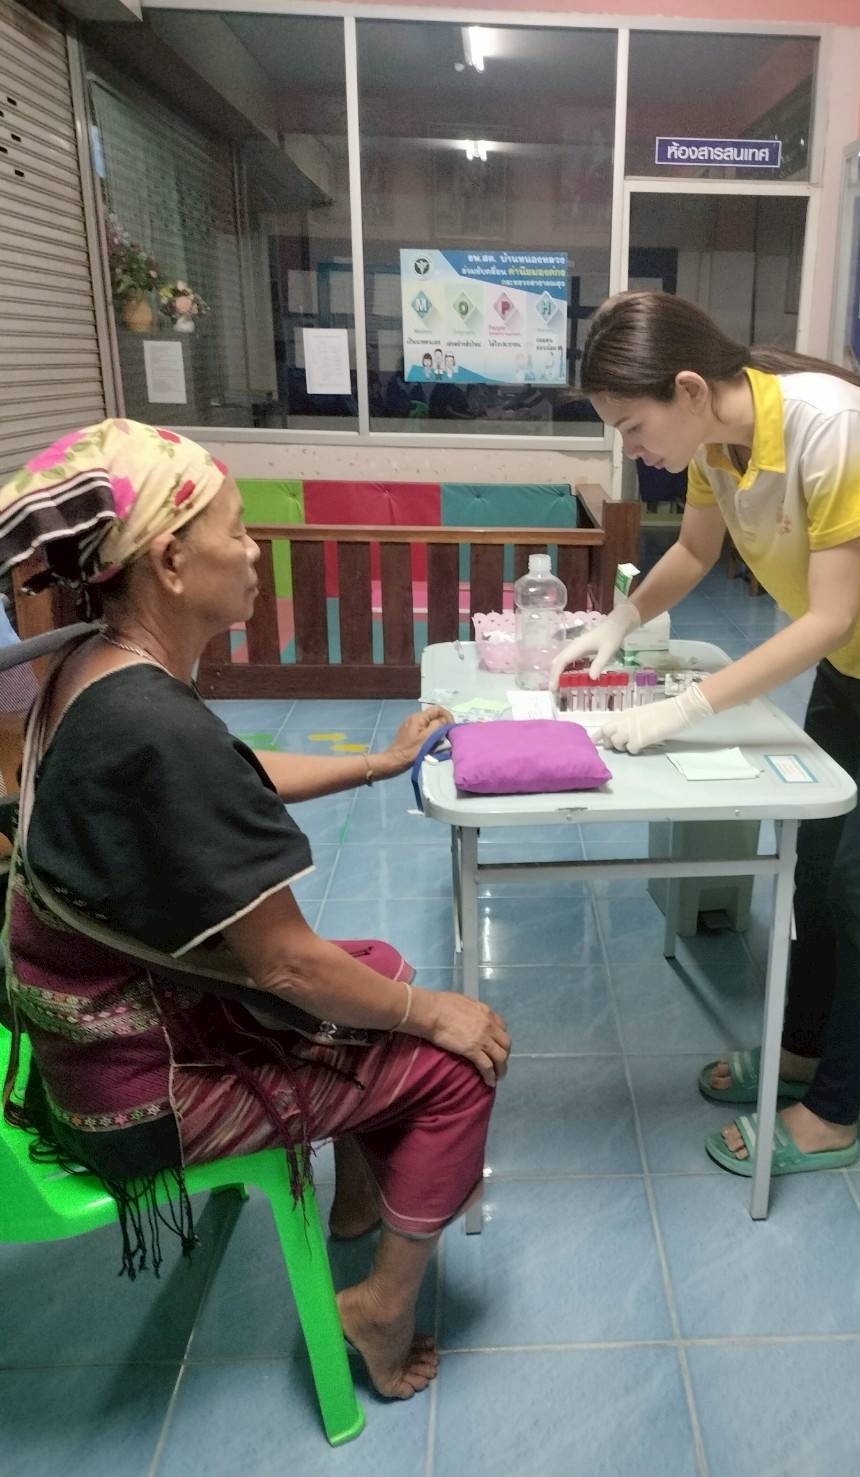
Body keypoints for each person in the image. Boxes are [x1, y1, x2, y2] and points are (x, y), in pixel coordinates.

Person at [0, 420, 511, 1399]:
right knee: (457, 1060)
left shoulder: (95, 667)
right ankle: (378, 1306)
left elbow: (224, 775)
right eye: (235, 530)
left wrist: (377, 762)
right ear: (170, 560)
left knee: (376, 966)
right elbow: (286, 964)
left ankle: (356, 1203)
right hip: (136, 1089)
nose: (254, 549)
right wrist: (434, 1013)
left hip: (84, 1036)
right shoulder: (153, 721)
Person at [553, 292, 860, 1176]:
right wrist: (621, 618)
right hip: (858, 663)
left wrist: (682, 709)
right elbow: (695, 552)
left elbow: (828, 617)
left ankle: (832, 1113)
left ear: (688, 388)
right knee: (813, 868)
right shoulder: (715, 439)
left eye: (633, 427)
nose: (632, 449)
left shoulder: (830, 427)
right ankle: (798, 1053)